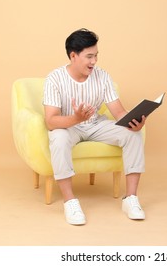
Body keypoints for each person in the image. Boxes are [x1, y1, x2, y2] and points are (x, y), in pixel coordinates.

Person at [43, 28, 146, 225]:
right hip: (69, 126)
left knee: (132, 134)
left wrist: (134, 121)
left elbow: (118, 112)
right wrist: (76, 118)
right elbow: (51, 121)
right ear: (73, 56)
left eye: (96, 55)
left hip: (96, 124)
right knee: (59, 138)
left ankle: (131, 199)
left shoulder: (103, 76)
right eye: (89, 56)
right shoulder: (54, 79)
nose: (94, 61)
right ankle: (70, 202)